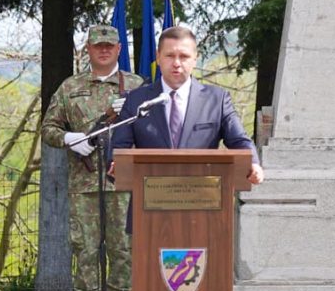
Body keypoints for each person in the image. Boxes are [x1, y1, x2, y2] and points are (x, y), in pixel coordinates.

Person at [41, 25, 145, 291]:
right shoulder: (70, 87)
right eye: (97, 46)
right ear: (87, 49)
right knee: (85, 251)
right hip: (84, 184)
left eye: (109, 46)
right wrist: (70, 139)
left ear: (118, 50)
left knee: (123, 251)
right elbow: (49, 128)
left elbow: (153, 127)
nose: (103, 51)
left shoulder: (137, 85)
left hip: (123, 183)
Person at [111, 26, 264, 191]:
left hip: (203, 201)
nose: (176, 63)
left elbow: (239, 140)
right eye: (170, 56)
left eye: (183, 56)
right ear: (158, 57)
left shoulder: (216, 100)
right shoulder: (136, 99)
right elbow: (118, 147)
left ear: (195, 59)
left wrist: (253, 164)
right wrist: (114, 164)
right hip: (148, 202)